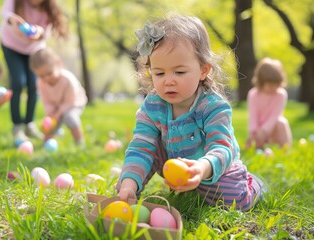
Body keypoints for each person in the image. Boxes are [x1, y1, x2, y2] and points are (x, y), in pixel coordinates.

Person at [116, 14, 265, 212]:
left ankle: (255, 185)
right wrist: (128, 183)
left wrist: (201, 169)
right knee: (146, 149)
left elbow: (222, 148)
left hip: (212, 166)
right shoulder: (153, 105)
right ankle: (131, 191)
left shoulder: (212, 106)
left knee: (235, 201)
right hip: (172, 160)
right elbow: (141, 146)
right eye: (159, 73)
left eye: (179, 72)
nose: (169, 80)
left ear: (203, 70)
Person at [0, 0, 67, 144]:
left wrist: (39, 33)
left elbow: (44, 32)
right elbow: (5, 13)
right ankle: (17, 126)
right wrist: (13, 20)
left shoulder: (48, 7)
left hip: (33, 49)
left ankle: (29, 124)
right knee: (18, 82)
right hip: (11, 45)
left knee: (33, 85)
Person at [29, 48, 87, 146]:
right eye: (41, 76)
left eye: (49, 73)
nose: (46, 78)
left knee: (69, 117)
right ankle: (45, 144)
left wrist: (57, 114)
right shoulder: (40, 83)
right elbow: (46, 101)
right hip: (56, 104)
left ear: (58, 63)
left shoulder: (68, 80)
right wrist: (50, 114)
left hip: (74, 104)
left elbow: (69, 102)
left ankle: (79, 142)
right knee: (50, 122)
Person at [246, 58, 292, 149]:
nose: (274, 87)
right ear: (261, 82)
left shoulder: (280, 94)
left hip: (273, 130)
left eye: (276, 83)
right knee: (252, 144)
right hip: (258, 132)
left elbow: (274, 116)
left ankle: (285, 150)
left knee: (282, 122)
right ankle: (259, 147)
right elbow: (253, 115)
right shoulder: (253, 94)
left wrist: (264, 131)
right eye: (270, 84)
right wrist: (253, 132)